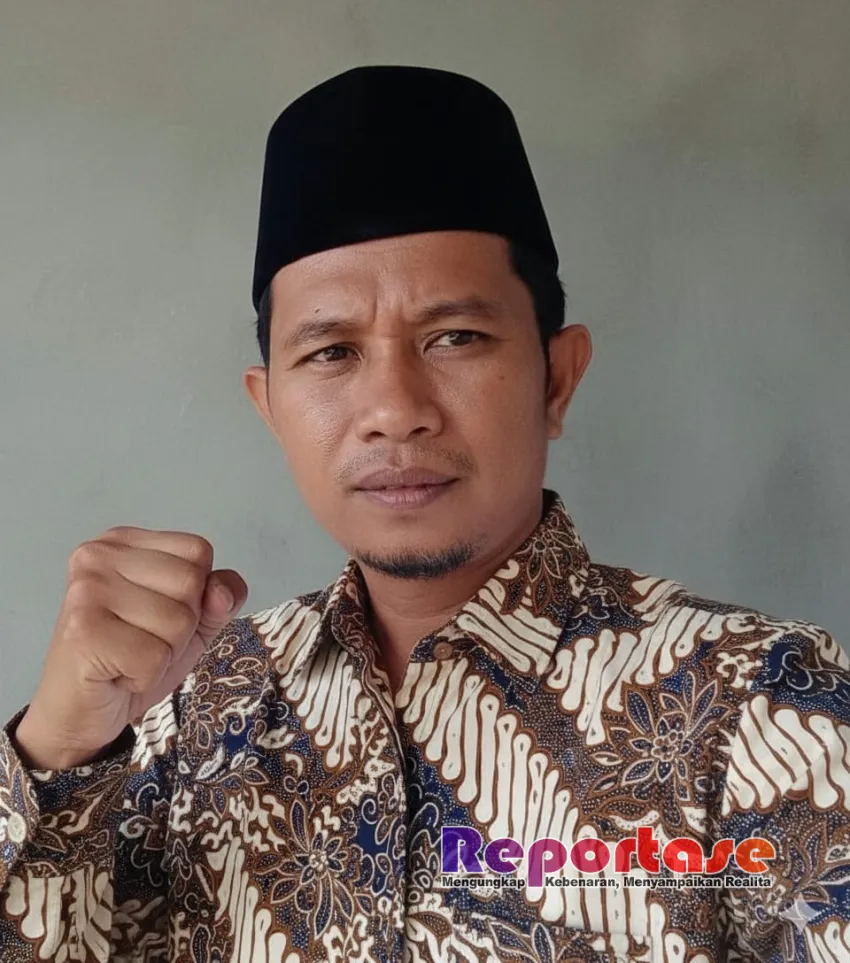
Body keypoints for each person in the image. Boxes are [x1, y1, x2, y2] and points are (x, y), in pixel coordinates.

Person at [0, 65, 847, 963]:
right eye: (332, 351)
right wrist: (55, 749)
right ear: (270, 405)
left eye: (456, 338)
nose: (394, 409)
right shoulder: (179, 712)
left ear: (557, 379)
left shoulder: (759, 703)